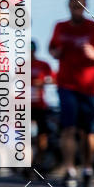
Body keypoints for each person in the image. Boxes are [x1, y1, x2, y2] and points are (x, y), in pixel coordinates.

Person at [48, 0, 94, 187]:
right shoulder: (60, 27)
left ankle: (87, 168)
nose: (77, 9)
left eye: (81, 6)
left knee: (88, 131)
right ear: (68, 6)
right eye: (74, 6)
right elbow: (52, 49)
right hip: (66, 85)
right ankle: (69, 169)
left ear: (86, 7)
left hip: (89, 87)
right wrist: (56, 52)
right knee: (68, 129)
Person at [31, 40, 54, 169]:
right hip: (24, 104)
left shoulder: (43, 65)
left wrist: (43, 82)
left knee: (42, 134)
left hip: (40, 105)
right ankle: (26, 162)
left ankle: (39, 161)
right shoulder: (21, 65)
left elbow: (53, 79)